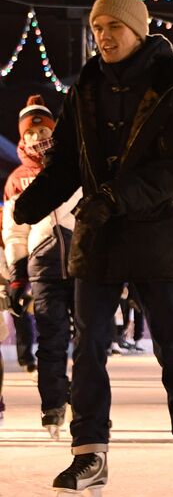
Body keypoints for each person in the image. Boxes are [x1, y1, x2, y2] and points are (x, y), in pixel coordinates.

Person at [13, 0, 173, 497]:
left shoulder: (171, 87)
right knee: (88, 349)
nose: (104, 37)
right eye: (98, 29)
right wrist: (32, 203)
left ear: (138, 31)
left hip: (151, 234)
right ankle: (89, 453)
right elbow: (65, 163)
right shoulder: (84, 86)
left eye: (114, 28)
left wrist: (115, 196)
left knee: (172, 347)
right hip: (98, 237)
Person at [3, 95, 80, 435]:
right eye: (31, 132)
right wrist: (17, 274)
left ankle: (85, 401)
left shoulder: (74, 166)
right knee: (52, 339)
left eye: (44, 129)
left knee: (91, 339)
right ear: (23, 137)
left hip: (82, 265)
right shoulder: (18, 180)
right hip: (43, 268)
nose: (38, 137)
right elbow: (15, 231)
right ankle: (52, 406)